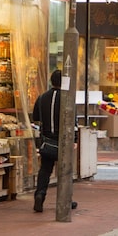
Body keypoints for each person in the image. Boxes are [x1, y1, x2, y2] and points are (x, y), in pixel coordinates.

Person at [30, 70, 77, 213]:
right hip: (63, 141)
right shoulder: (67, 99)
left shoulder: (42, 98)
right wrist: (74, 139)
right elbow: (73, 122)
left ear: (51, 81)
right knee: (65, 171)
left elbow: (36, 117)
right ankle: (65, 199)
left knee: (45, 169)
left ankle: (40, 194)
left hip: (47, 141)